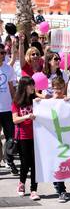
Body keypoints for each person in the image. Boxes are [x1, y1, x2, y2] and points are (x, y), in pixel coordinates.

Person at [12, 77, 40, 200]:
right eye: (31, 85)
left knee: (35, 164)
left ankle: (34, 190)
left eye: (33, 85)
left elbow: (52, 101)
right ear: (24, 87)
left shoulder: (36, 100)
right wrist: (28, 116)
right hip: (23, 136)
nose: (33, 87)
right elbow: (15, 119)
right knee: (25, 163)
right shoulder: (16, 102)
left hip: (37, 136)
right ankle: (21, 184)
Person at [0, 43, 18, 175]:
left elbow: (12, 89)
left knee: (10, 138)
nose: (1, 55)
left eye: (3, 53)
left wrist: (15, 105)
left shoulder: (9, 69)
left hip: (7, 109)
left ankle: (9, 160)